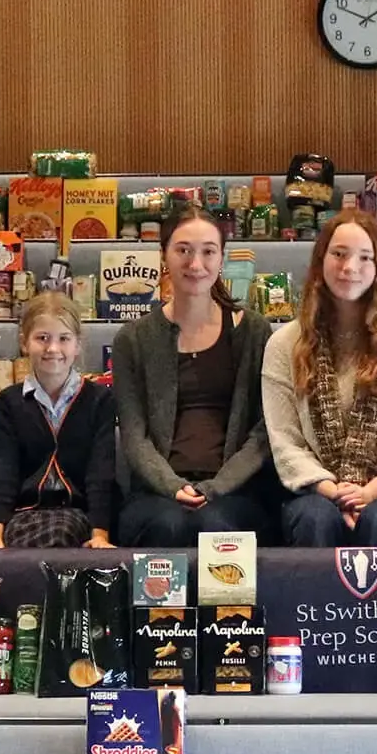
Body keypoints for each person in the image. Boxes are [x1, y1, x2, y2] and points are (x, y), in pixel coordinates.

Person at [263, 207, 377, 546]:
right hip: (316, 493)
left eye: (364, 258)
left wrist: (370, 493)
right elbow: (286, 444)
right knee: (315, 518)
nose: (349, 268)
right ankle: (313, 603)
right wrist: (334, 492)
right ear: (320, 261)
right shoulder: (285, 344)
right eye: (339, 254)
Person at [112, 204, 274, 545]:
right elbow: (134, 435)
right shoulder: (133, 339)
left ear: (221, 259)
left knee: (215, 527)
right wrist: (173, 487)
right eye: (183, 250)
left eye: (208, 252)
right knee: (168, 526)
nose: (195, 264)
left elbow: (263, 432)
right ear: (164, 257)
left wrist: (216, 487)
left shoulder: (254, 332)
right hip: (156, 495)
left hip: (237, 493)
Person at [0, 291, 116, 548]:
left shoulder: (99, 399)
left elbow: (101, 473)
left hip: (81, 512)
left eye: (64, 339)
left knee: (60, 533)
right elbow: (4, 472)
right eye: (42, 338)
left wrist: (100, 536)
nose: (52, 348)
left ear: (77, 345)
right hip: (25, 512)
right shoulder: (10, 401)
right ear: (24, 343)